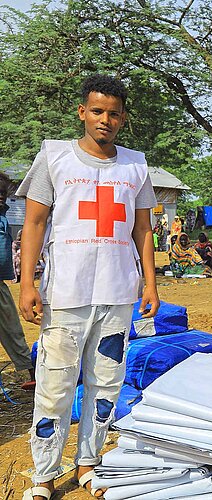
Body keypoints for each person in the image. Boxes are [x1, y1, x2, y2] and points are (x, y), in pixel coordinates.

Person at [16, 74, 159, 500]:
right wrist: (28, 283)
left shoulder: (135, 165)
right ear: (82, 112)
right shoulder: (55, 157)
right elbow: (35, 222)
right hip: (66, 293)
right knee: (55, 384)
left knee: (106, 383)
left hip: (117, 293)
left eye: (114, 113)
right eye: (97, 111)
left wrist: (150, 284)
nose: (105, 119)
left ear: (124, 119)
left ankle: (88, 463)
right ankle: (44, 474)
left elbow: (144, 229)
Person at [0, 173, 35, 390]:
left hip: (1, 286)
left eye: (2, 194)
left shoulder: (4, 216)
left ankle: (30, 372)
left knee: (13, 329)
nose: (0, 198)